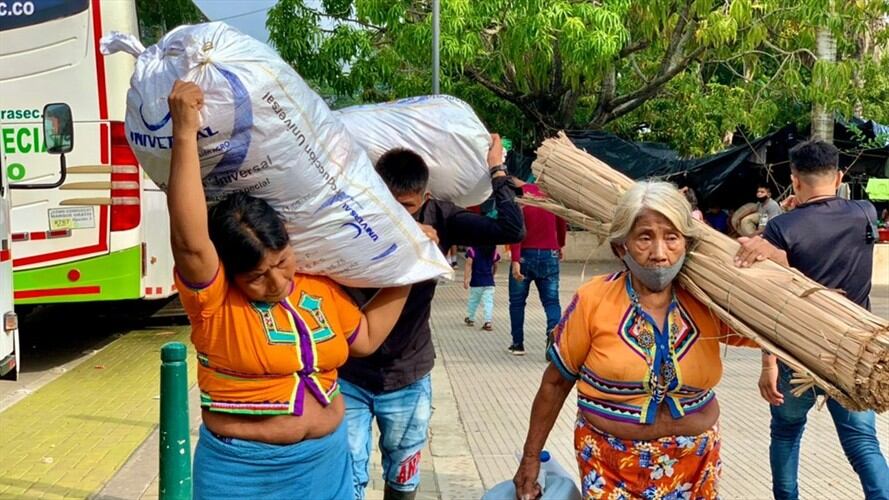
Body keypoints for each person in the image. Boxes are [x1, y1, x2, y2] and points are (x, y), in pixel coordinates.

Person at [165, 81, 411, 499]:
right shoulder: (215, 302)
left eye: (282, 262)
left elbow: (366, 338)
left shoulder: (317, 288)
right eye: (257, 276)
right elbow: (190, 243)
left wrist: (411, 264)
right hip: (241, 474)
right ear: (231, 273)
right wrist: (185, 133)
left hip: (325, 464)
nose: (277, 282)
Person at [513, 181, 758, 500]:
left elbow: (772, 335)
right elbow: (555, 383)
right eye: (645, 237)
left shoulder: (708, 303)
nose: (659, 254)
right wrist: (530, 457)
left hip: (695, 466)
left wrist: (772, 266)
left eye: (672, 237)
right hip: (610, 467)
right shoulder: (593, 300)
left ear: (686, 242)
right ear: (621, 247)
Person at [340, 137, 525, 500]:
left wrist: (498, 172)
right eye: (388, 205)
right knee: (349, 476)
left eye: (406, 208)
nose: (397, 215)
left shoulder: (441, 216)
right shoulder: (349, 215)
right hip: (348, 373)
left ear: (423, 199)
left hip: (408, 373)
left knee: (404, 480)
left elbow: (511, 230)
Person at [735, 140, 889, 500]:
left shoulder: (781, 229)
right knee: (863, 442)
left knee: (787, 433)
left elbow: (772, 300)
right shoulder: (865, 212)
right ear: (839, 176)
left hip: (796, 355)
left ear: (794, 179)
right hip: (853, 355)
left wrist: (767, 362)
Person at [508, 179, 567, 356]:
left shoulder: (521, 197)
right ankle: (553, 342)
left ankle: (518, 344)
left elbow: (516, 229)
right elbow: (562, 224)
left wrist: (515, 259)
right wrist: (560, 245)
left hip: (525, 255)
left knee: (517, 303)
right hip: (550, 254)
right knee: (551, 302)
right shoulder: (552, 196)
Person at [463, 244, 501, 331]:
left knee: (473, 301)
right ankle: (488, 321)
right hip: (489, 282)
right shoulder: (493, 250)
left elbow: (468, 264)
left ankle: (470, 317)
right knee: (488, 302)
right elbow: (496, 264)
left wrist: (466, 279)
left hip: (476, 281)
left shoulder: (473, 250)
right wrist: (493, 274)